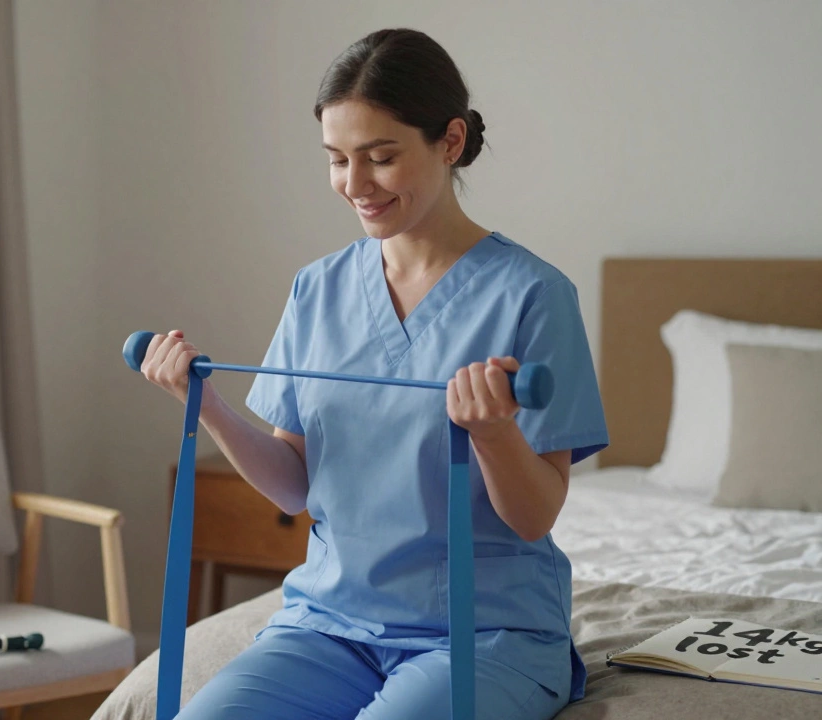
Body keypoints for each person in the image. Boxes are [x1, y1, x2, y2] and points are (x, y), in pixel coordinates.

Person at [138, 27, 608, 720]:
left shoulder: (534, 295)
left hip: (483, 631)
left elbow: (535, 517)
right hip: (330, 624)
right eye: (337, 160)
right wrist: (200, 402)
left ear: (450, 142)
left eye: (380, 158)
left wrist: (493, 433)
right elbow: (295, 484)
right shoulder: (317, 289)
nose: (354, 185)